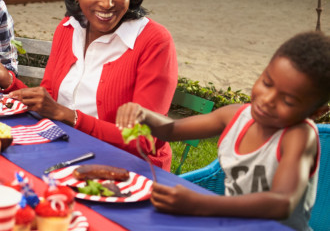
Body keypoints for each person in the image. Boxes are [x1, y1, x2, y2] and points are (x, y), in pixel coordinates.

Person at [116, 32, 330, 230]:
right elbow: (171, 130)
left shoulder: (299, 136)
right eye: (267, 83)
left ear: (317, 112)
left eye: (288, 100)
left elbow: (283, 202)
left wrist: (201, 203)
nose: (267, 100)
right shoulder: (234, 116)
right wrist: (142, 113)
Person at [5, 0, 178, 169]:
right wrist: (7, 81)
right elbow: (48, 100)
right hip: (64, 151)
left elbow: (144, 139)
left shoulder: (154, 42)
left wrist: (71, 117)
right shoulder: (68, 28)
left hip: (128, 168)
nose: (107, 3)